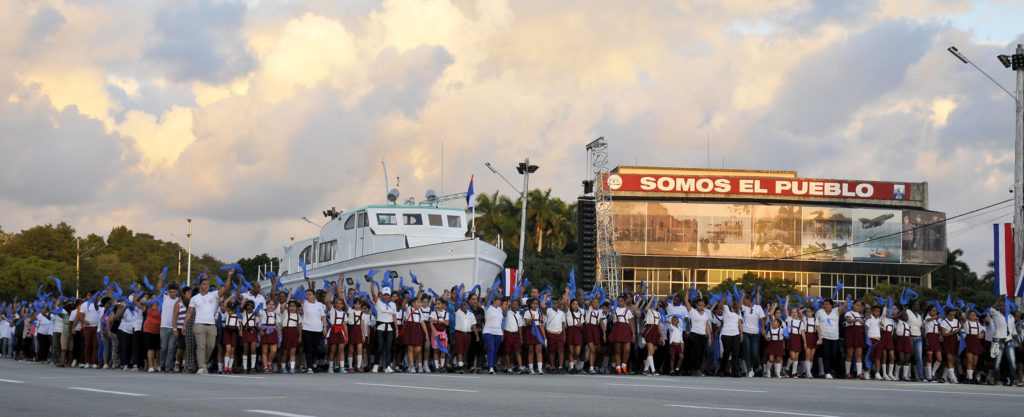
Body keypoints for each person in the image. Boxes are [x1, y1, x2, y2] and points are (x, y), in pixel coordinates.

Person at [184, 271, 233, 375]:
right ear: (200, 286)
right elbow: (189, 312)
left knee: (210, 346)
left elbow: (226, 288)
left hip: (211, 325)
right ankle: (201, 367)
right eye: (204, 284)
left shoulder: (214, 295)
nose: (206, 286)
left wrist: (229, 275)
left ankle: (202, 363)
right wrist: (184, 325)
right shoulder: (194, 298)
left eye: (208, 284)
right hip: (199, 324)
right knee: (201, 346)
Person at [370, 283, 397, 374]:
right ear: (382, 295)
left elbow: (394, 317)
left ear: (389, 295)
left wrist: (396, 329)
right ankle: (376, 365)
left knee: (389, 348)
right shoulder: (379, 302)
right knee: (380, 347)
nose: (386, 296)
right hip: (380, 327)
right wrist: (371, 284)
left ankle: (388, 366)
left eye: (387, 295)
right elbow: (373, 294)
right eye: (384, 295)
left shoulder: (393, 305)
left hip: (390, 327)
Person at [815, 299, 844, 379]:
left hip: (835, 337)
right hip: (824, 337)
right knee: (826, 355)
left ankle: (832, 370)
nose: (825, 306)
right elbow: (817, 324)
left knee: (834, 355)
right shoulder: (819, 312)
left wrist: (847, 299)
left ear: (831, 305)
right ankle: (827, 372)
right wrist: (820, 336)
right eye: (824, 304)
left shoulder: (836, 311)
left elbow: (844, 307)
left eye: (827, 304)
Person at [740, 292, 765, 377]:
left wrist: (763, 328)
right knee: (747, 351)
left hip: (755, 333)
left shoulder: (758, 308)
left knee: (754, 352)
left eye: (744, 300)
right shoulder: (744, 308)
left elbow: (762, 319)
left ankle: (750, 366)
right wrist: (742, 296)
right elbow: (739, 306)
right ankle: (749, 369)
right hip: (746, 332)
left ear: (748, 300)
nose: (744, 302)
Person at [609, 295, 636, 375]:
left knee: (627, 350)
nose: (620, 303)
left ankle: (624, 366)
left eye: (621, 301)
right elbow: (610, 320)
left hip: (625, 330)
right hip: (617, 330)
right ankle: (618, 368)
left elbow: (631, 323)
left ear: (624, 302)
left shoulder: (627, 311)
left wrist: (633, 334)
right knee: (618, 351)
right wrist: (611, 314)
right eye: (618, 301)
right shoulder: (614, 310)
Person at [453, 294, 478, 373]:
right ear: (460, 306)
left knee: (465, 351)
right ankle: (460, 366)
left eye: (466, 305)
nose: (465, 306)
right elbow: (456, 305)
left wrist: (477, 335)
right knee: (459, 350)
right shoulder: (458, 312)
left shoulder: (471, 314)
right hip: (459, 333)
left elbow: (474, 325)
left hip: (467, 334)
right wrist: (459, 292)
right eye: (463, 305)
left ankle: (462, 365)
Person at [482, 293, 505, 375]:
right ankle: (490, 367)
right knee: (491, 349)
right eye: (499, 300)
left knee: (495, 351)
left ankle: (493, 365)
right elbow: (486, 300)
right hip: (488, 331)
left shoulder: (500, 309)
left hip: (498, 332)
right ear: (494, 300)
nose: (500, 302)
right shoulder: (488, 307)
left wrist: (502, 332)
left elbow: (501, 321)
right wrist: (490, 292)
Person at [640, 296, 663, 376]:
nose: (655, 304)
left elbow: (659, 326)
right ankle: (653, 370)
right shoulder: (648, 311)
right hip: (649, 331)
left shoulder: (658, 313)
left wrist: (662, 337)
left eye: (656, 302)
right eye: (654, 302)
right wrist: (651, 299)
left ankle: (645, 370)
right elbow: (646, 308)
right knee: (650, 351)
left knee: (651, 352)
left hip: (655, 332)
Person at [326, 293, 348, 374]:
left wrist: (346, 336)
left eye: (341, 304)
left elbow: (345, 325)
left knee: (341, 350)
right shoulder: (332, 311)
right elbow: (327, 301)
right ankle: (331, 367)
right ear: (335, 305)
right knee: (333, 350)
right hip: (333, 331)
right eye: (337, 303)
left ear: (343, 305)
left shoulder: (344, 314)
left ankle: (341, 367)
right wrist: (330, 291)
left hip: (341, 332)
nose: (339, 305)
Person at [584, 297, 606, 374]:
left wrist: (604, 334)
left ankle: (591, 367)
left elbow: (601, 323)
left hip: (596, 329)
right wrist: (590, 301)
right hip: (589, 328)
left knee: (595, 350)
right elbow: (586, 303)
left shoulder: (600, 312)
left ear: (599, 304)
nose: (595, 304)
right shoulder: (589, 309)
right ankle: (590, 367)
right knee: (592, 349)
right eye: (594, 302)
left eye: (597, 303)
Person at [939, 309, 961, 383]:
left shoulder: (957, 321)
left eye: (953, 315)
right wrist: (953, 332)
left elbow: (961, 328)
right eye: (950, 315)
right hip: (947, 341)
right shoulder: (944, 322)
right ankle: (953, 378)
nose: (952, 317)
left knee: (953, 360)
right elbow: (944, 334)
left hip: (955, 341)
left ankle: (944, 377)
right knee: (949, 359)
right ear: (947, 315)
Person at [962, 309, 984, 383]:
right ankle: (970, 379)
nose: (972, 316)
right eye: (971, 315)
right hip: (969, 341)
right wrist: (967, 310)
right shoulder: (966, 322)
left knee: (974, 363)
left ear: (976, 316)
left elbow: (982, 331)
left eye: (974, 315)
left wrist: (981, 334)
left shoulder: (978, 324)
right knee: (970, 361)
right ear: (968, 316)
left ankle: (968, 376)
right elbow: (963, 316)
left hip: (976, 342)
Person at [564, 297, 585, 374]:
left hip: (577, 332)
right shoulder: (568, 312)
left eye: (576, 304)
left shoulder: (581, 314)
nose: (575, 306)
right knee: (571, 351)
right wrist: (566, 294)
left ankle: (573, 363)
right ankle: (572, 367)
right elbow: (565, 304)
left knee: (577, 352)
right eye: (573, 304)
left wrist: (581, 325)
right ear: (571, 305)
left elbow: (583, 326)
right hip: (570, 331)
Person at [259, 299, 280, 373]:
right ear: (266, 305)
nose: (271, 306)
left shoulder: (275, 314)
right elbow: (257, 316)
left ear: (275, 306)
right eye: (269, 304)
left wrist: (279, 330)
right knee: (264, 350)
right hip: (265, 331)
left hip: (273, 331)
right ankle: (265, 366)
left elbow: (277, 323)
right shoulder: (263, 312)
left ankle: (269, 362)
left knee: (274, 350)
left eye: (272, 304)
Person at [429, 298, 450, 373]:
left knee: (443, 350)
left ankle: (442, 366)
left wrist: (438, 321)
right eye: (436, 304)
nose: (437, 305)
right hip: (436, 332)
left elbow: (447, 323)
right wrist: (434, 332)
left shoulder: (446, 313)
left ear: (443, 305)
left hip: (443, 333)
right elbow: (431, 323)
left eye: (439, 304)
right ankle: (437, 367)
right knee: (436, 350)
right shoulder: (433, 313)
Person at [281, 300, 301, 374]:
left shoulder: (298, 316)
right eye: (290, 306)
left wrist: (300, 336)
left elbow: (299, 327)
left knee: (292, 352)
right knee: (285, 352)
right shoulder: (285, 313)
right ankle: (283, 367)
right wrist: (287, 300)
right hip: (286, 333)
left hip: (294, 334)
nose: (292, 308)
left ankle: (292, 368)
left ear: (296, 308)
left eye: (294, 306)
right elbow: (282, 306)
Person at [240, 300, 260, 374]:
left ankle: (252, 367)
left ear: (253, 307)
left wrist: (260, 330)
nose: (249, 307)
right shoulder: (243, 313)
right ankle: (245, 368)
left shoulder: (255, 315)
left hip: (253, 332)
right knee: (245, 350)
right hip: (245, 332)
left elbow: (257, 325)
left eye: (251, 305)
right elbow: (241, 323)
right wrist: (241, 331)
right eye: (248, 305)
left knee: (253, 350)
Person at [785, 305, 804, 378]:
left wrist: (804, 342)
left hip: (797, 338)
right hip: (791, 337)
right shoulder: (789, 319)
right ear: (790, 314)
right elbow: (786, 309)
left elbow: (802, 332)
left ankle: (793, 372)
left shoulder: (800, 322)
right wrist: (787, 300)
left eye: (795, 312)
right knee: (792, 357)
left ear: (798, 314)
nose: (794, 314)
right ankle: (787, 368)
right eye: (792, 312)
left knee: (796, 357)